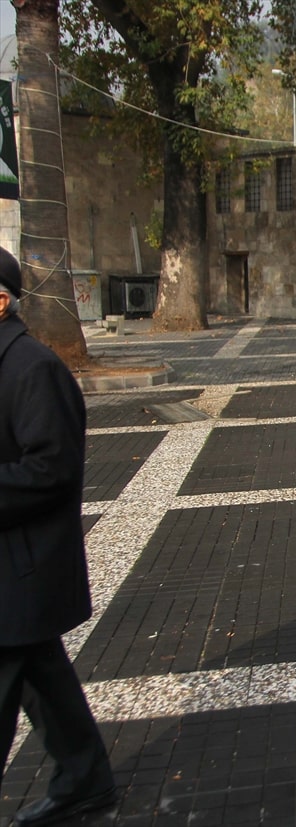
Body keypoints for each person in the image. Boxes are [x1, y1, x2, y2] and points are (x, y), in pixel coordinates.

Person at [0, 246, 118, 826]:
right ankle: (86, 780)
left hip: (21, 567)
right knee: (44, 678)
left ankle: (84, 781)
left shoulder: (31, 368)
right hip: (12, 571)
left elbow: (52, 469)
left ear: (1, 300)